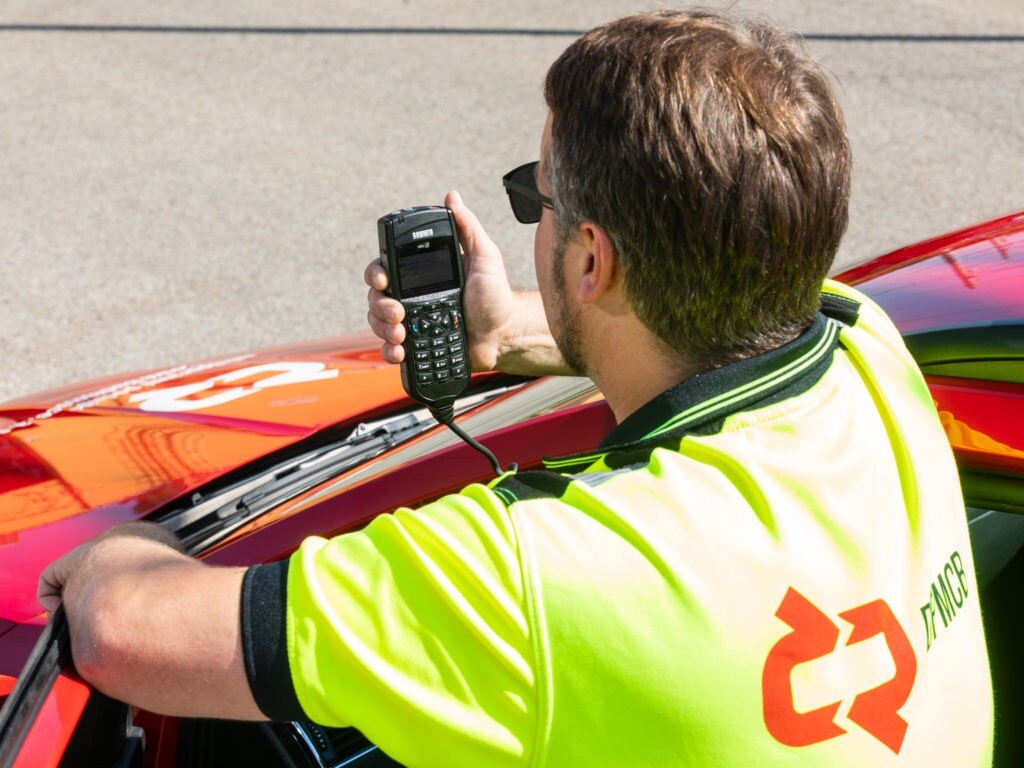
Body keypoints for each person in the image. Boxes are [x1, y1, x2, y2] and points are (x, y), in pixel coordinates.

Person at [39, 9, 993, 767]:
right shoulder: (873, 356)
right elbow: (721, 311)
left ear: (592, 259)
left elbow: (124, 632)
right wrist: (501, 331)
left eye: (541, 200)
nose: (536, 222)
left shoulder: (541, 572)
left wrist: (123, 541)